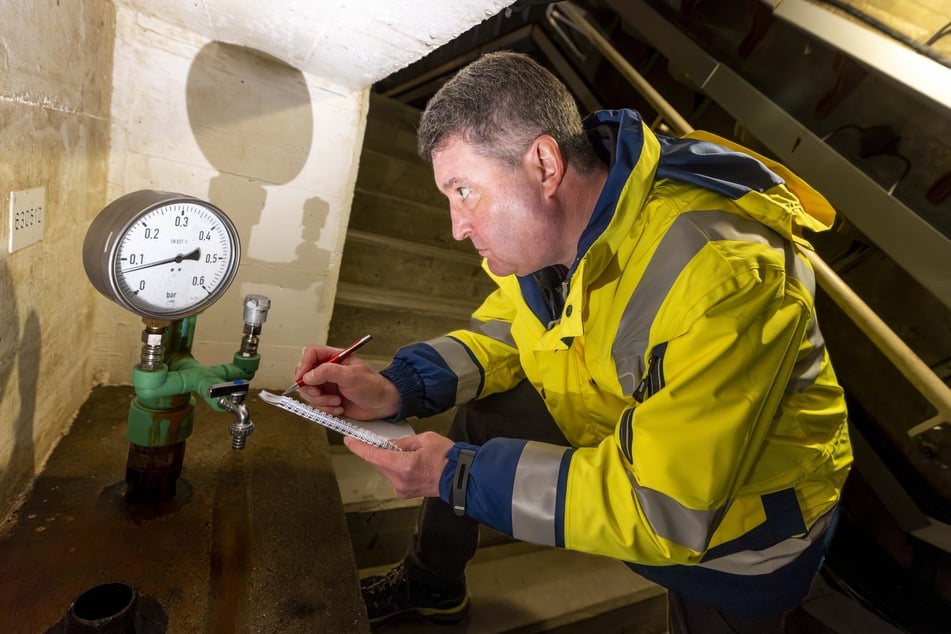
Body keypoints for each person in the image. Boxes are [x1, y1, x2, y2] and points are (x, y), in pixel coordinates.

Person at [293, 51, 853, 633]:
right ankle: (432, 585)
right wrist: (395, 387)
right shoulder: (552, 240)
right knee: (484, 419)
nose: (457, 226)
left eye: (464, 191)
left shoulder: (726, 275)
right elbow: (509, 332)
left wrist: (457, 475)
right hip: (620, 430)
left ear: (543, 164)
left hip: (737, 538)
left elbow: (664, 508)